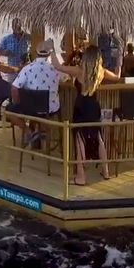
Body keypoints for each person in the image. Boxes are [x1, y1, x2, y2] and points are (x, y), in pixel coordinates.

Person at [50, 44, 121, 185]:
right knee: (99, 137)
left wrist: (52, 50)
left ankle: (81, 176)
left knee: (80, 138)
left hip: (81, 106)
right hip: (94, 106)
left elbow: (58, 66)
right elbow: (117, 77)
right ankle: (106, 171)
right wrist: (119, 61)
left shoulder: (79, 70)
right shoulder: (101, 71)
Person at [7, 39, 65, 147]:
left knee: (9, 111)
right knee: (44, 110)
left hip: (30, 109)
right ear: (49, 54)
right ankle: (40, 132)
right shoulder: (55, 68)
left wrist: (18, 103)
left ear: (36, 53)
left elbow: (14, 88)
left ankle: (29, 131)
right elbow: (65, 79)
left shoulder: (27, 68)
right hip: (50, 109)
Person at [0, 18, 31, 82]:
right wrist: (5, 53)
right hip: (12, 70)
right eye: (15, 26)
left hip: (25, 68)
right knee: (12, 88)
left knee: (25, 89)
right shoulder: (7, 39)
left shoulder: (27, 37)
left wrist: (26, 35)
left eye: (19, 26)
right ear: (12, 27)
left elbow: (36, 43)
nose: (17, 27)